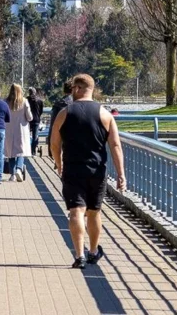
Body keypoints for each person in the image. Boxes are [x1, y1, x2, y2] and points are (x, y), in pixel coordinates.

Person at [50, 73, 127, 269]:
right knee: (94, 212)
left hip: (73, 170)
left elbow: (54, 144)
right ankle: (93, 251)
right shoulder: (105, 114)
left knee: (76, 211)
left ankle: (79, 255)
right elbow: (115, 145)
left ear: (77, 89)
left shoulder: (64, 113)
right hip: (97, 171)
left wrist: (59, 165)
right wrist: (120, 174)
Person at [3, 84, 33, 182]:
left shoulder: (5, 102)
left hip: (9, 130)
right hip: (21, 130)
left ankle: (12, 174)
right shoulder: (24, 101)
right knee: (21, 152)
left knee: (11, 153)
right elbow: (29, 117)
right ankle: (19, 169)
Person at [27, 87, 45, 157]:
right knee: (35, 136)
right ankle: (33, 152)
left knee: (26, 135)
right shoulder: (40, 101)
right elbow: (41, 111)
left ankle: (27, 150)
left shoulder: (27, 99)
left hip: (28, 120)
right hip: (36, 120)